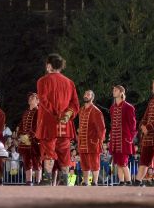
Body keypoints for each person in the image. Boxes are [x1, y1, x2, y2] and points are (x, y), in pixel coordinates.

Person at [35, 54, 79, 186]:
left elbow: (43, 100)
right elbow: (75, 104)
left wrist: (57, 114)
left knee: (48, 151)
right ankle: (65, 179)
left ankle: (47, 178)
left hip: (49, 124)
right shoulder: (70, 82)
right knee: (65, 153)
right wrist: (67, 114)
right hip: (65, 125)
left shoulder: (42, 81)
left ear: (49, 65)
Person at [109, 85, 136, 186]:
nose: (113, 91)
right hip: (115, 139)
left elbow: (133, 124)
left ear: (121, 93)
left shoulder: (128, 107)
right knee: (118, 163)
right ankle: (121, 181)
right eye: (113, 90)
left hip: (125, 139)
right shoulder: (112, 108)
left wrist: (130, 138)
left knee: (123, 162)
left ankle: (128, 181)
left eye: (115, 90)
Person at [77, 90, 106, 186]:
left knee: (94, 163)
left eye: (88, 95)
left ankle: (95, 181)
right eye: (85, 94)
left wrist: (100, 141)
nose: (86, 96)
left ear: (92, 98)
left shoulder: (96, 111)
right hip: (82, 142)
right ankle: (85, 182)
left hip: (93, 142)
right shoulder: (81, 110)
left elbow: (101, 128)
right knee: (84, 164)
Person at [16, 93, 42, 185]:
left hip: (34, 141)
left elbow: (37, 126)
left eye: (33, 98)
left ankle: (38, 181)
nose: (30, 99)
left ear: (38, 101)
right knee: (27, 161)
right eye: (30, 97)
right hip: (24, 141)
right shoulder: (26, 112)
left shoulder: (39, 112)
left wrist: (29, 136)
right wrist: (20, 135)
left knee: (37, 162)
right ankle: (29, 181)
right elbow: (21, 125)